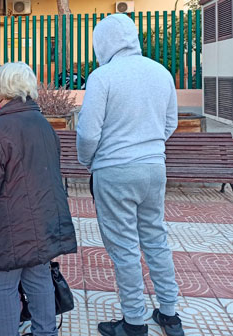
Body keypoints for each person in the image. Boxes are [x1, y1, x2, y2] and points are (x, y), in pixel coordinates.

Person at [76, 14, 184, 336]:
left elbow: (88, 132)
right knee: (156, 238)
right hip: (154, 168)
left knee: (123, 247)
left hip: (114, 170)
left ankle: (134, 322)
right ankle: (169, 313)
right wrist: (149, 147)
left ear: (102, 42)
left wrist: (88, 161)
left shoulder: (102, 76)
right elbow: (171, 122)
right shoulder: (160, 72)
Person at [0, 62, 77, 336]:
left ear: (2, 90)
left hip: (3, 236)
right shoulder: (43, 125)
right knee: (40, 285)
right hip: (40, 230)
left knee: (3, 297)